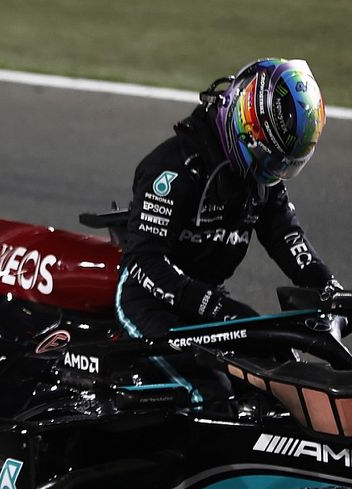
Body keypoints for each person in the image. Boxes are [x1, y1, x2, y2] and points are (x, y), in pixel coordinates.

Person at [116, 58, 340, 405]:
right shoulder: (173, 168)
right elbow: (142, 259)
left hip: (209, 306)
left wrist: (328, 289)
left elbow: (286, 236)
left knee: (285, 383)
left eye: (284, 164)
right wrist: (214, 305)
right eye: (272, 159)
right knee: (214, 396)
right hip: (150, 306)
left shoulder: (261, 177)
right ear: (248, 124)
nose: (273, 172)